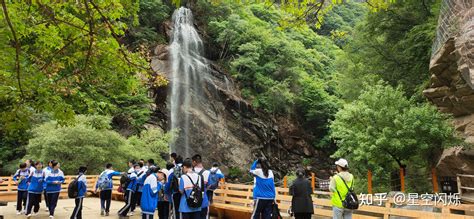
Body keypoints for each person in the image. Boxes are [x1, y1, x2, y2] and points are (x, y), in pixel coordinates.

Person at [191, 154, 210, 219]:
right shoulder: (207, 172)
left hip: (193, 202)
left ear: (194, 162)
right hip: (204, 201)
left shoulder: (190, 173)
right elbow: (209, 186)